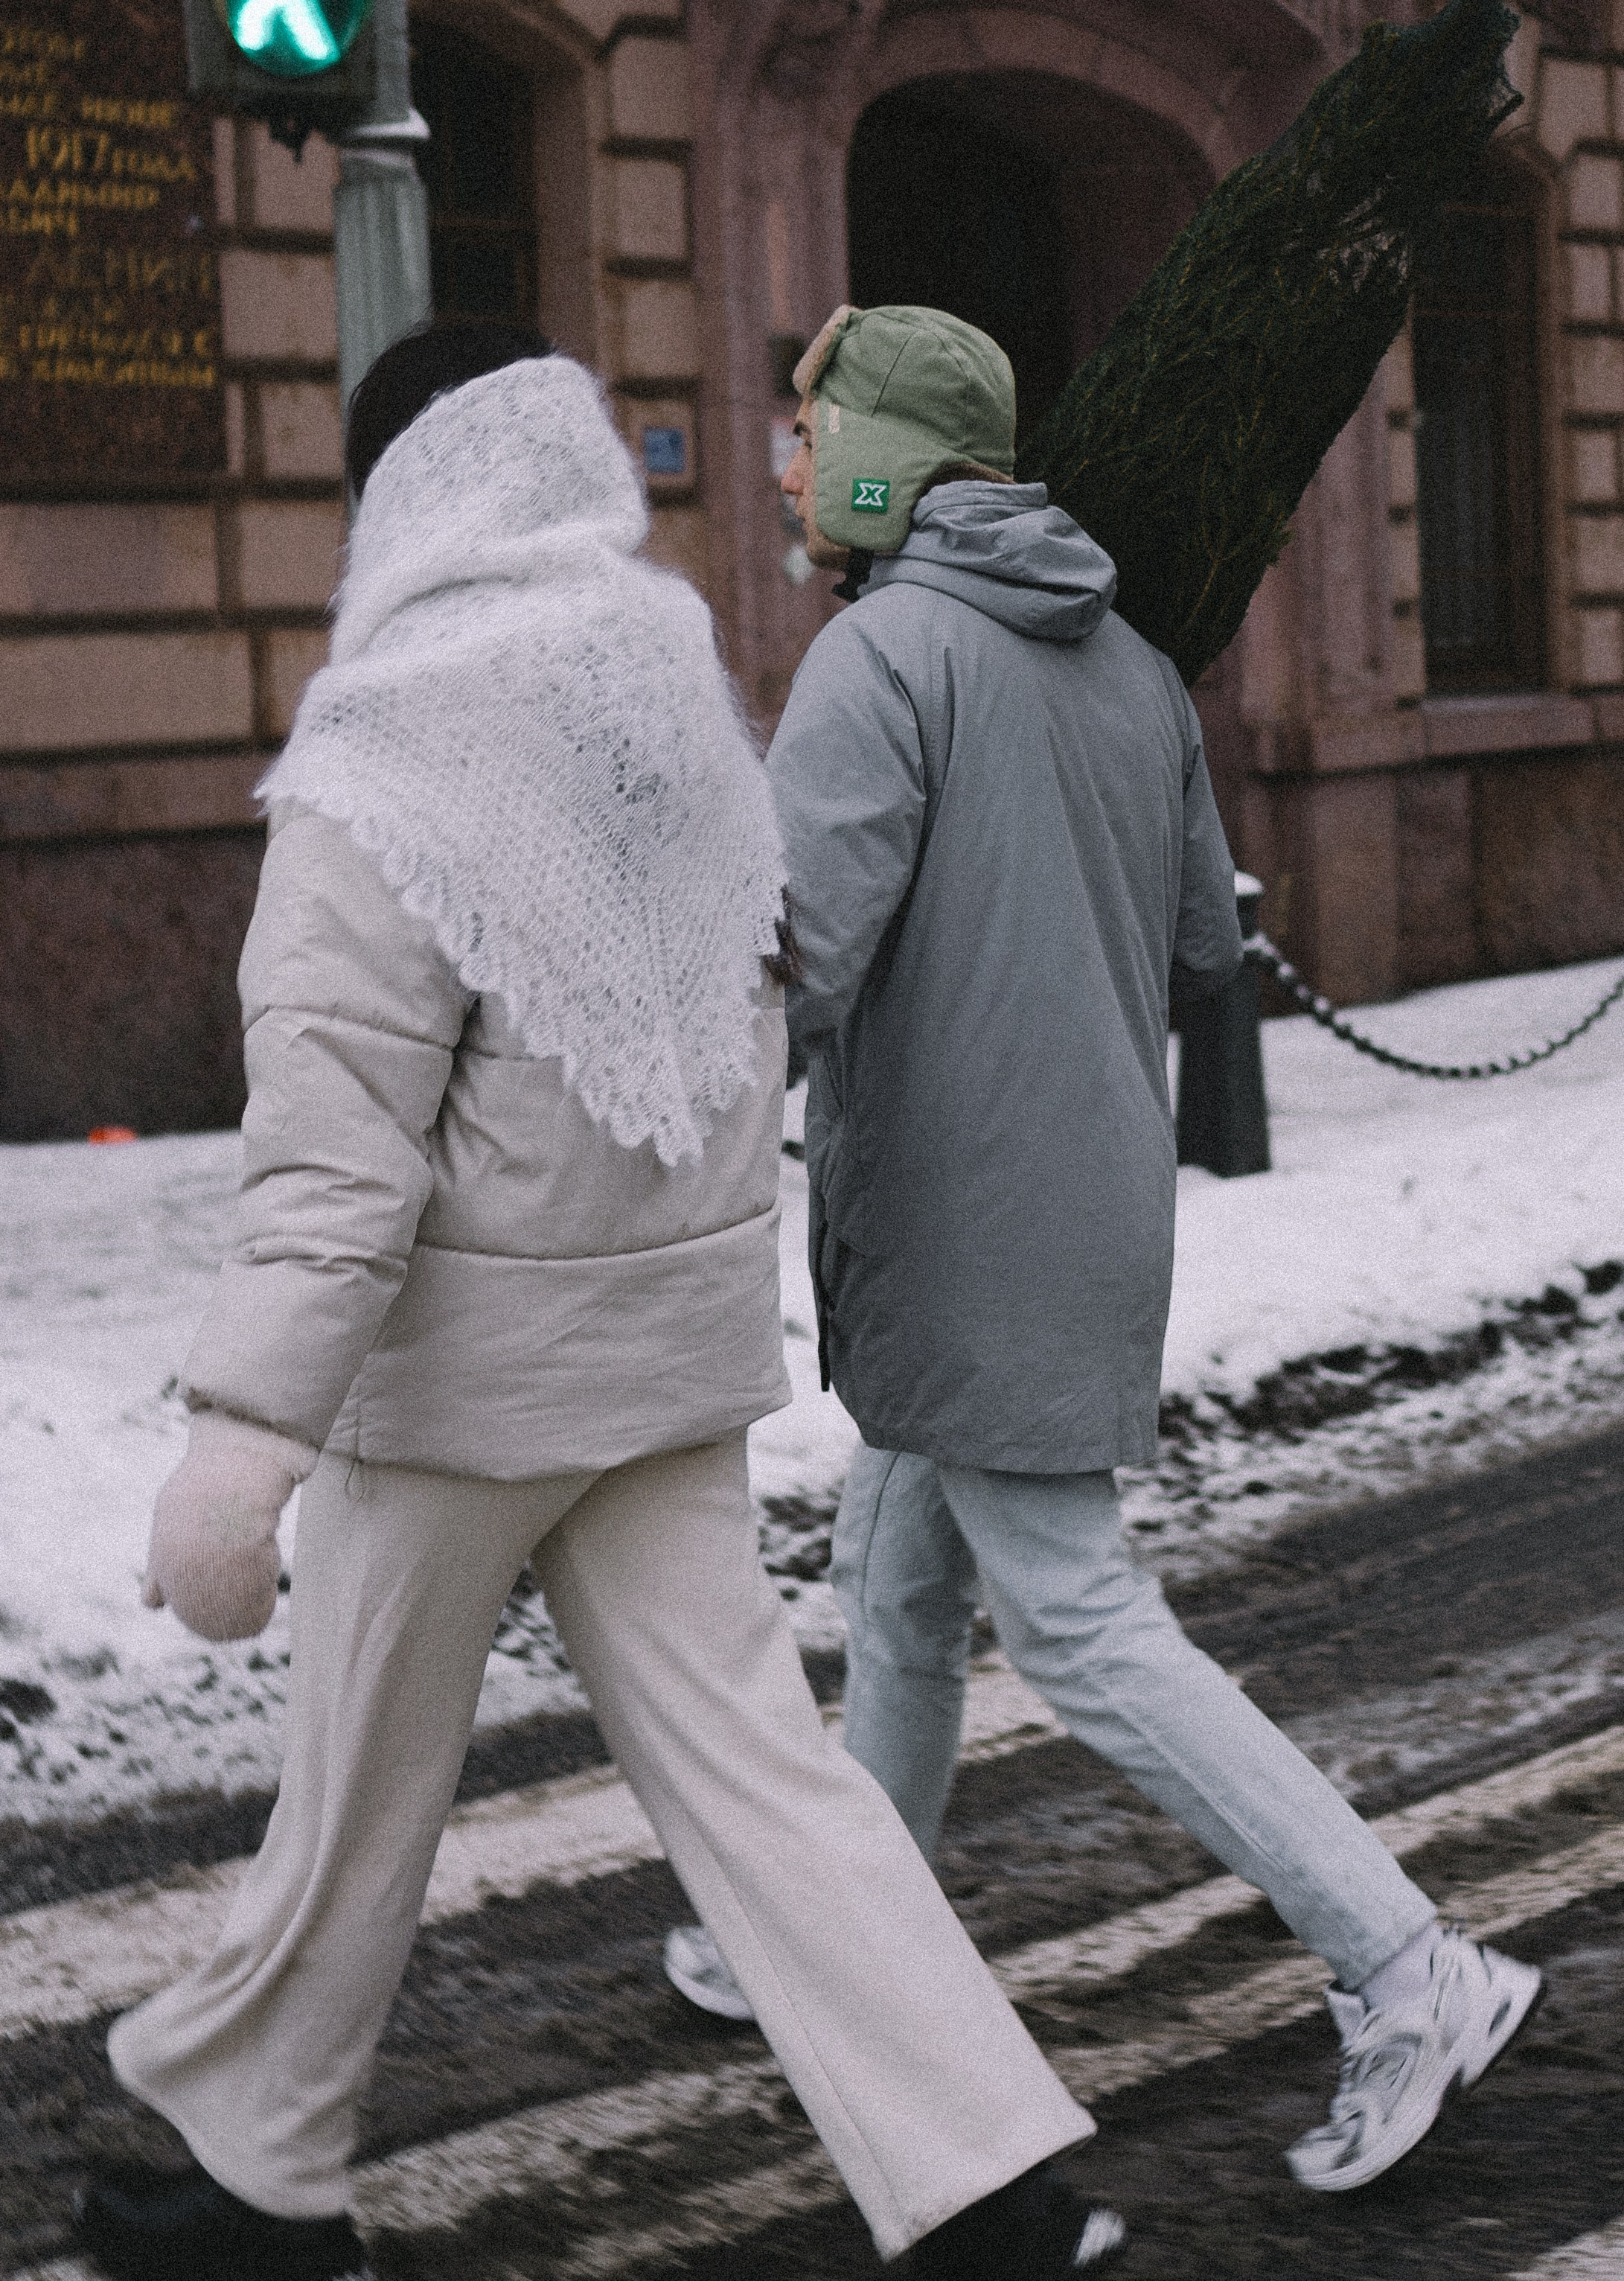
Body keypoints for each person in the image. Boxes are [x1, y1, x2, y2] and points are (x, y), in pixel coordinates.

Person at [74, 324, 1129, 2281]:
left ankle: (257, 2187)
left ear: (401, 495)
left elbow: (334, 1147)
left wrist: (245, 1445)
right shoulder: (670, 684)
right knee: (768, 1787)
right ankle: (993, 2186)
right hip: (657, 1369)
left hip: (463, 1394)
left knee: (356, 1794)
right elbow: (747, 1030)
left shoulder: (387, 741)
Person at [662, 302, 1541, 2194]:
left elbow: (789, 961)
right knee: (898, 1584)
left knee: (1074, 1616)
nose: (790, 469)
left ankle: (1407, 1962)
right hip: (1076, 1204)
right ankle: (828, 1942)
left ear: (892, 452)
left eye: (812, 434)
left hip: (960, 1221)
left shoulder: (874, 656)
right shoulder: (1128, 659)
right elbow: (1202, 952)